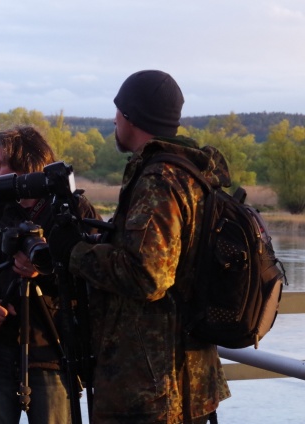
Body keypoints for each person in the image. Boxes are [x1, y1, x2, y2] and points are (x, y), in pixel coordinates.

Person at [48, 70, 231, 423]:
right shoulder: (191, 174)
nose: (114, 118)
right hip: (185, 376)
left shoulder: (159, 179)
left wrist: (75, 250)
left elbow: (148, 275)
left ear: (132, 117)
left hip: (151, 385)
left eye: (118, 110)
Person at [0, 125, 100, 424]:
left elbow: (97, 278)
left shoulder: (74, 212)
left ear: (26, 166)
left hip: (55, 350)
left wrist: (46, 270)